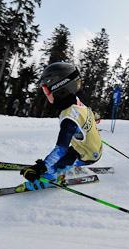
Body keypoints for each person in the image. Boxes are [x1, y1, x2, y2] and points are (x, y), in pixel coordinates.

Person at [21, 62, 102, 190]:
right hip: (92, 148)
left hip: (86, 155)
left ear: (60, 90)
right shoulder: (77, 103)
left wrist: (41, 167)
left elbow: (60, 149)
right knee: (66, 155)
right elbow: (90, 115)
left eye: (46, 90)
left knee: (53, 165)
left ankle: (49, 180)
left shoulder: (69, 118)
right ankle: (68, 165)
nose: (45, 94)